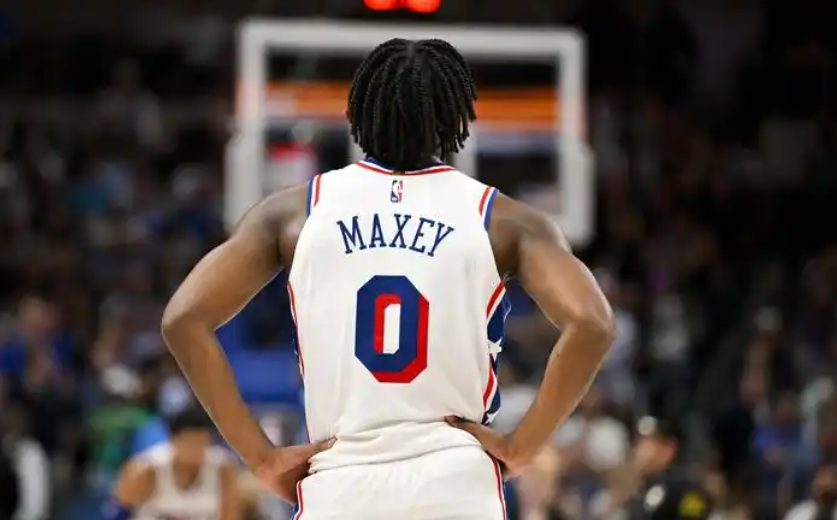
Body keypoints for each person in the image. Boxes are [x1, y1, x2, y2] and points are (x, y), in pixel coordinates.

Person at [162, 38, 614, 520]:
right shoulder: (504, 220)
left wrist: (261, 457)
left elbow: (183, 320)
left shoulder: (294, 212)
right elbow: (593, 323)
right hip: (456, 484)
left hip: (340, 484)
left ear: (360, 114)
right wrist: (523, 445)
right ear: (456, 118)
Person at [105, 407, 240, 520]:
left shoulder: (223, 467)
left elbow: (231, 515)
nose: (195, 450)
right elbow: (120, 506)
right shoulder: (148, 467)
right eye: (190, 443)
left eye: (201, 443)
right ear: (173, 440)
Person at [600, 417, 713, 520]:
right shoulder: (637, 490)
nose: (638, 448)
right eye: (638, 441)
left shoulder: (683, 490)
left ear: (668, 449)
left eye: (647, 441)